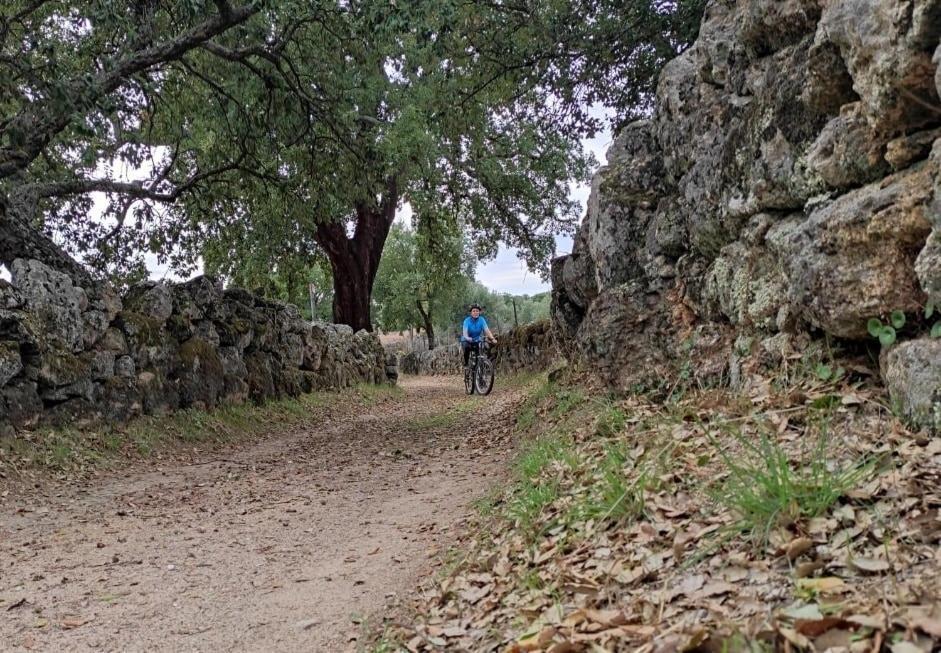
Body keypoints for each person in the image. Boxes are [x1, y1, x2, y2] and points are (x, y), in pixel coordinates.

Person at [461, 303, 497, 367]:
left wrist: (492, 339)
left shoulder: (482, 320)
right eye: (474, 311)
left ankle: (477, 368)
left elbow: (487, 330)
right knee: (466, 348)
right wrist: (467, 338)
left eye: (477, 311)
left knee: (479, 352)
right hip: (467, 340)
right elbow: (465, 332)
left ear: (479, 312)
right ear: (471, 313)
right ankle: (466, 363)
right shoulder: (467, 321)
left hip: (477, 339)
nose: (475, 312)